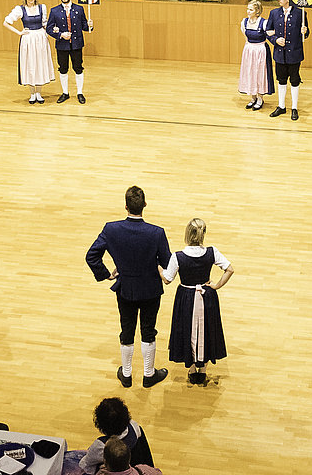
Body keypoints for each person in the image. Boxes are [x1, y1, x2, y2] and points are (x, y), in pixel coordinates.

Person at [86, 186, 171, 388]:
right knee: (148, 330)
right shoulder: (157, 233)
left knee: (127, 330)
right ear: (145, 205)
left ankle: (126, 375)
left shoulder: (111, 229)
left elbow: (92, 256)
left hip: (125, 289)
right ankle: (149, 375)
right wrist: (154, 264)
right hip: (150, 289)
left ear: (126, 206)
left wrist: (106, 274)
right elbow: (167, 262)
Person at [162, 218, 233, 385]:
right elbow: (229, 269)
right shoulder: (212, 251)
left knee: (188, 329)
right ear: (203, 234)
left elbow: (167, 279)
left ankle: (193, 368)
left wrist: (158, 267)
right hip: (207, 297)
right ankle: (203, 370)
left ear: (187, 233)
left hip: (186, 298)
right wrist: (216, 286)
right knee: (207, 329)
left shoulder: (178, 256)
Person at [63, 398, 153, 475]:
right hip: (132, 465)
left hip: (112, 469)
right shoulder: (134, 426)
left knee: (65, 460)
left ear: (101, 424)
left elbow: (86, 464)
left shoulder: (101, 446)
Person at [2, 0, 55, 104]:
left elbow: (45, 24)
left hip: (40, 38)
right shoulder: (20, 9)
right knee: (30, 64)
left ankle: (39, 93)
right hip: (28, 39)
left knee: (40, 63)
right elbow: (6, 23)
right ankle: (32, 93)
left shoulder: (42, 7)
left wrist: (53, 30)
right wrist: (19, 32)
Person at [264, 0, 309, 121]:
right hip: (279, 54)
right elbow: (268, 32)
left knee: (294, 80)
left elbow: (306, 33)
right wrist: (276, 40)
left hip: (294, 53)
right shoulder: (274, 13)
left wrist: (305, 31)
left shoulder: (300, 13)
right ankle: (281, 106)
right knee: (281, 79)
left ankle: (294, 107)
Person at [46, 0, 93, 104]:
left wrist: (90, 25)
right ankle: (65, 93)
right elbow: (49, 29)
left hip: (76, 45)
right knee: (63, 69)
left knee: (78, 68)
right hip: (62, 45)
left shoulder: (79, 9)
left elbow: (84, 26)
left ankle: (79, 93)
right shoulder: (54, 11)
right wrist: (61, 35)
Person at [238, 0, 273, 111]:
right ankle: (253, 97)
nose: (248, 11)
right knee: (250, 72)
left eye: (251, 9)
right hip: (249, 50)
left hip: (261, 50)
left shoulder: (264, 23)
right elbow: (245, 36)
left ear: (257, 11)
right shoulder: (244, 22)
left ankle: (260, 98)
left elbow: (271, 34)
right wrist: (249, 47)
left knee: (260, 73)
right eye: (247, 9)